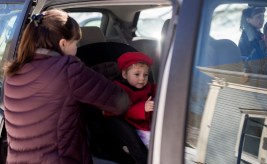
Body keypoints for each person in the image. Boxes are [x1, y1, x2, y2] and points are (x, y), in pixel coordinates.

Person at [3, 9, 130, 164]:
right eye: (76, 43)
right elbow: (120, 102)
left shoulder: (12, 72)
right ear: (63, 43)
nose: (77, 48)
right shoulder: (68, 68)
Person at [111, 52, 156, 149]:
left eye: (145, 75)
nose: (142, 79)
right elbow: (125, 112)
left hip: (149, 123)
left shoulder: (147, 85)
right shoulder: (121, 90)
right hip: (134, 127)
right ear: (124, 74)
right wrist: (143, 108)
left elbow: (153, 89)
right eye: (137, 74)